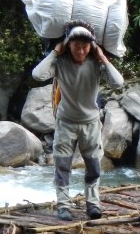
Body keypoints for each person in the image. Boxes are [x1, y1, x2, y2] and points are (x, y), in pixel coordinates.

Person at [32, 20, 124, 221]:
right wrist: (55, 52)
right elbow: (37, 75)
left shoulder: (95, 64)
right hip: (66, 123)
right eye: (76, 46)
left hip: (91, 123)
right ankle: (63, 206)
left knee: (93, 166)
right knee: (62, 166)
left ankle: (93, 204)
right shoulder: (60, 63)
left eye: (84, 47)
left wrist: (103, 57)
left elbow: (118, 82)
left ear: (91, 47)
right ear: (68, 46)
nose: (80, 51)